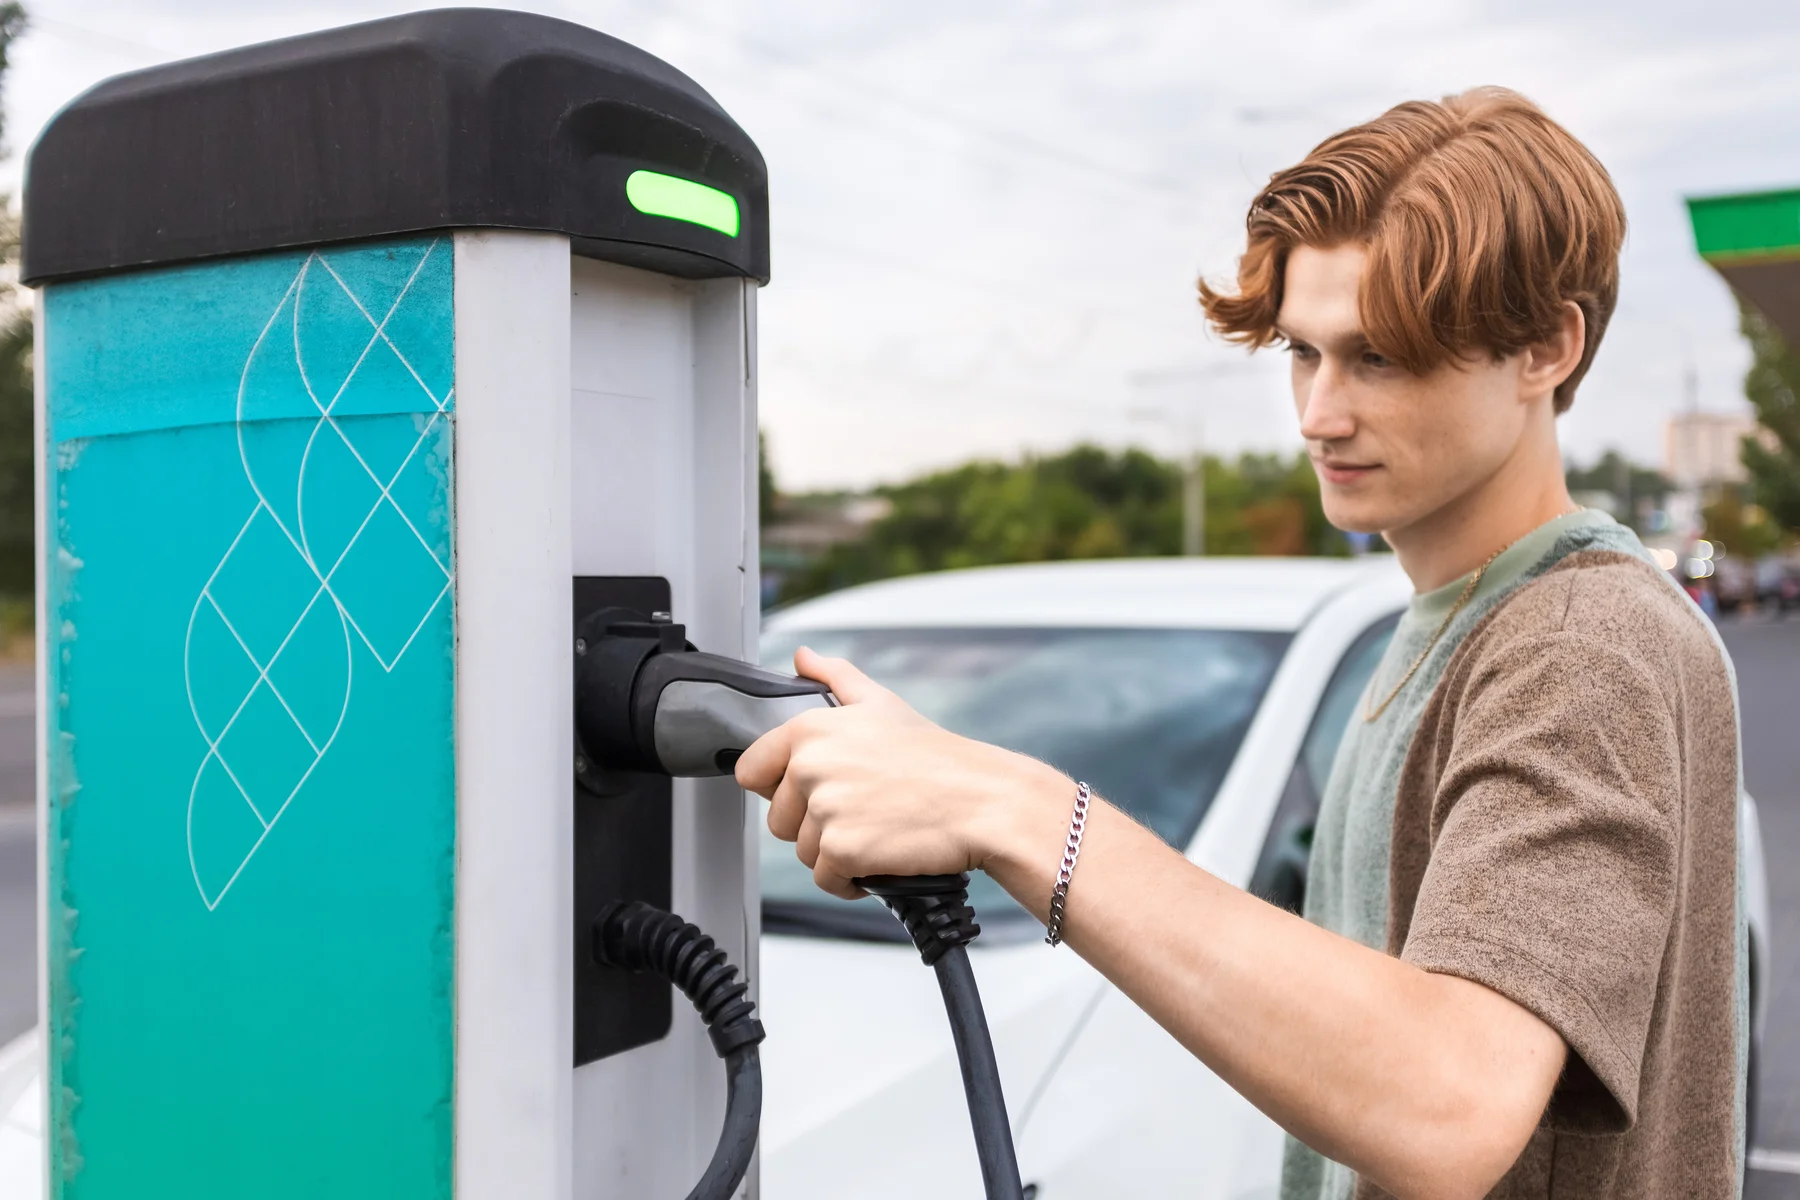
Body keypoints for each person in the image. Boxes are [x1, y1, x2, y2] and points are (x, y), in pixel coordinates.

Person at [738, 88, 1746, 1199]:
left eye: (1382, 357)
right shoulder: (1456, 617)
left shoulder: (1576, 638)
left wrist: (1011, 807)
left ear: (1547, 347)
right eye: (1304, 354)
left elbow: (1452, 1100)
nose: (1318, 413)